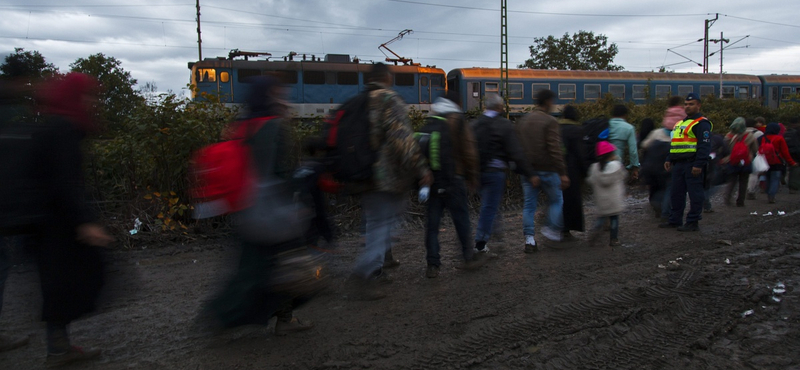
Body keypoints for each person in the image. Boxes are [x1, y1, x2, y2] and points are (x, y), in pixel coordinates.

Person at [203, 76, 315, 334]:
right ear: (269, 97)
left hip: (245, 206)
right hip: (272, 211)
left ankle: (224, 316)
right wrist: (299, 200)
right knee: (289, 265)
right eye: (279, 94)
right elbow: (280, 173)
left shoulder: (243, 125)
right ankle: (234, 318)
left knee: (252, 269)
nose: (285, 99)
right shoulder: (274, 127)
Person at [31, 73, 115, 367]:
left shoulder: (55, 125)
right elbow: (64, 181)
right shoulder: (65, 128)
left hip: (47, 221)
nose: (92, 103)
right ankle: (57, 347)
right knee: (75, 278)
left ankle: (58, 345)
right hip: (57, 223)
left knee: (58, 282)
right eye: (88, 96)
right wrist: (84, 222)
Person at [347, 63, 432, 293]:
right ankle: (363, 274)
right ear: (387, 77)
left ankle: (373, 271)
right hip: (387, 177)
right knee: (386, 224)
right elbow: (402, 139)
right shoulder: (388, 99)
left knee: (376, 224)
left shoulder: (360, 100)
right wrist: (422, 169)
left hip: (362, 174)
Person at [421, 93, 483, 278]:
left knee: (432, 225)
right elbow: (468, 149)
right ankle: (468, 257)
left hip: (432, 180)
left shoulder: (430, 121)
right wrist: (472, 176)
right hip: (455, 179)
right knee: (461, 220)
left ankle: (432, 264)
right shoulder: (458, 120)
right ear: (457, 103)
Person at [472, 93, 533, 254]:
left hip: (477, 172)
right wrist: (529, 173)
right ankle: (480, 243)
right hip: (495, 172)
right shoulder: (504, 124)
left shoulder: (476, 124)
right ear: (499, 107)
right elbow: (516, 152)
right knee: (489, 206)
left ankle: (496, 233)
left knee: (490, 204)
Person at [515, 89, 568, 250]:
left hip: (529, 172)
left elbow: (518, 148)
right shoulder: (550, 121)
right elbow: (554, 149)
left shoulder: (523, 121)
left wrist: (527, 171)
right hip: (548, 170)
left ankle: (529, 240)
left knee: (529, 206)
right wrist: (563, 172)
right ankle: (551, 228)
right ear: (548, 102)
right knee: (557, 200)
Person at [660, 93, 713, 232]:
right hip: (678, 164)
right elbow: (675, 143)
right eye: (686, 104)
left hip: (692, 163)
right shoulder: (680, 123)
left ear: (698, 105)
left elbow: (704, 146)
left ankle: (693, 222)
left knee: (695, 194)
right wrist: (669, 158)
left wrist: (698, 164)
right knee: (676, 193)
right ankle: (675, 220)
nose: (687, 107)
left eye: (691, 104)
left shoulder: (702, 123)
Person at [587, 142, 627, 247]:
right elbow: (624, 175)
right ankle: (614, 239)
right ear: (611, 154)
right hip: (614, 200)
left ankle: (596, 230)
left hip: (601, 200)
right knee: (614, 219)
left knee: (601, 218)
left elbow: (590, 180)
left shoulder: (594, 168)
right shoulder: (617, 166)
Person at [557, 105, 588, 240]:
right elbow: (580, 153)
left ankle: (556, 227)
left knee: (557, 200)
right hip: (572, 170)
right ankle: (566, 229)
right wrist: (585, 171)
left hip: (556, 169)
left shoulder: (557, 128)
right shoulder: (577, 130)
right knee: (571, 201)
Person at [640, 117, 673, 221]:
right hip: (667, 166)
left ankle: (655, 203)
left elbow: (644, 145)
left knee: (654, 186)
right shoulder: (678, 135)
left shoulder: (656, 132)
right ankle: (665, 211)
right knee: (667, 188)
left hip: (652, 166)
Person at [721, 117, 758, 207]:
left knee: (732, 180)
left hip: (732, 160)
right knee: (743, 182)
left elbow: (724, 148)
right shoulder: (750, 135)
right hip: (745, 161)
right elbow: (755, 149)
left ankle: (727, 198)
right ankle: (740, 201)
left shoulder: (729, 136)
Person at [760, 122, 798, 203]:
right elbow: (785, 152)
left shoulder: (764, 138)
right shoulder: (780, 139)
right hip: (777, 162)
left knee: (768, 178)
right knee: (775, 179)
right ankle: (772, 195)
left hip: (766, 161)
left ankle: (767, 192)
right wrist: (791, 162)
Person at [607, 104, 640, 181]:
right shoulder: (629, 128)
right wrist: (635, 167)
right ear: (625, 115)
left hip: (602, 162)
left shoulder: (605, 125)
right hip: (617, 162)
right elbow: (633, 151)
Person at [745, 118, 765, 200]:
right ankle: (750, 190)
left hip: (739, 155)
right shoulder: (758, 133)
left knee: (741, 175)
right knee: (753, 174)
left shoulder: (739, 132)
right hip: (752, 155)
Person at [784, 117, 800, 193]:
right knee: (795, 170)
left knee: (792, 169)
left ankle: (792, 185)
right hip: (796, 152)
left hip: (789, 152)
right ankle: (793, 186)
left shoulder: (788, 131)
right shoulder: (797, 131)